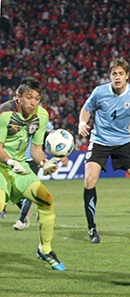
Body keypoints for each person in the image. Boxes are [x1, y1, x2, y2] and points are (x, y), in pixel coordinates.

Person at [78, 58, 130, 243]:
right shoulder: (99, 92)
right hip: (100, 141)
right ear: (109, 75)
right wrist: (82, 122)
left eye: (121, 73)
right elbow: (85, 110)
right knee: (89, 180)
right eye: (114, 73)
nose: (117, 77)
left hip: (124, 143)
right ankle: (92, 228)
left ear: (127, 75)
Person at [0, 77, 65, 270]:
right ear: (18, 97)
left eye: (37, 98)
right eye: (29, 98)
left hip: (20, 166)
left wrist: (44, 163)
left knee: (47, 200)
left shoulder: (41, 116)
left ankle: (45, 250)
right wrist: (10, 161)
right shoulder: (4, 113)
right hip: (2, 166)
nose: (33, 102)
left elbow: (36, 149)